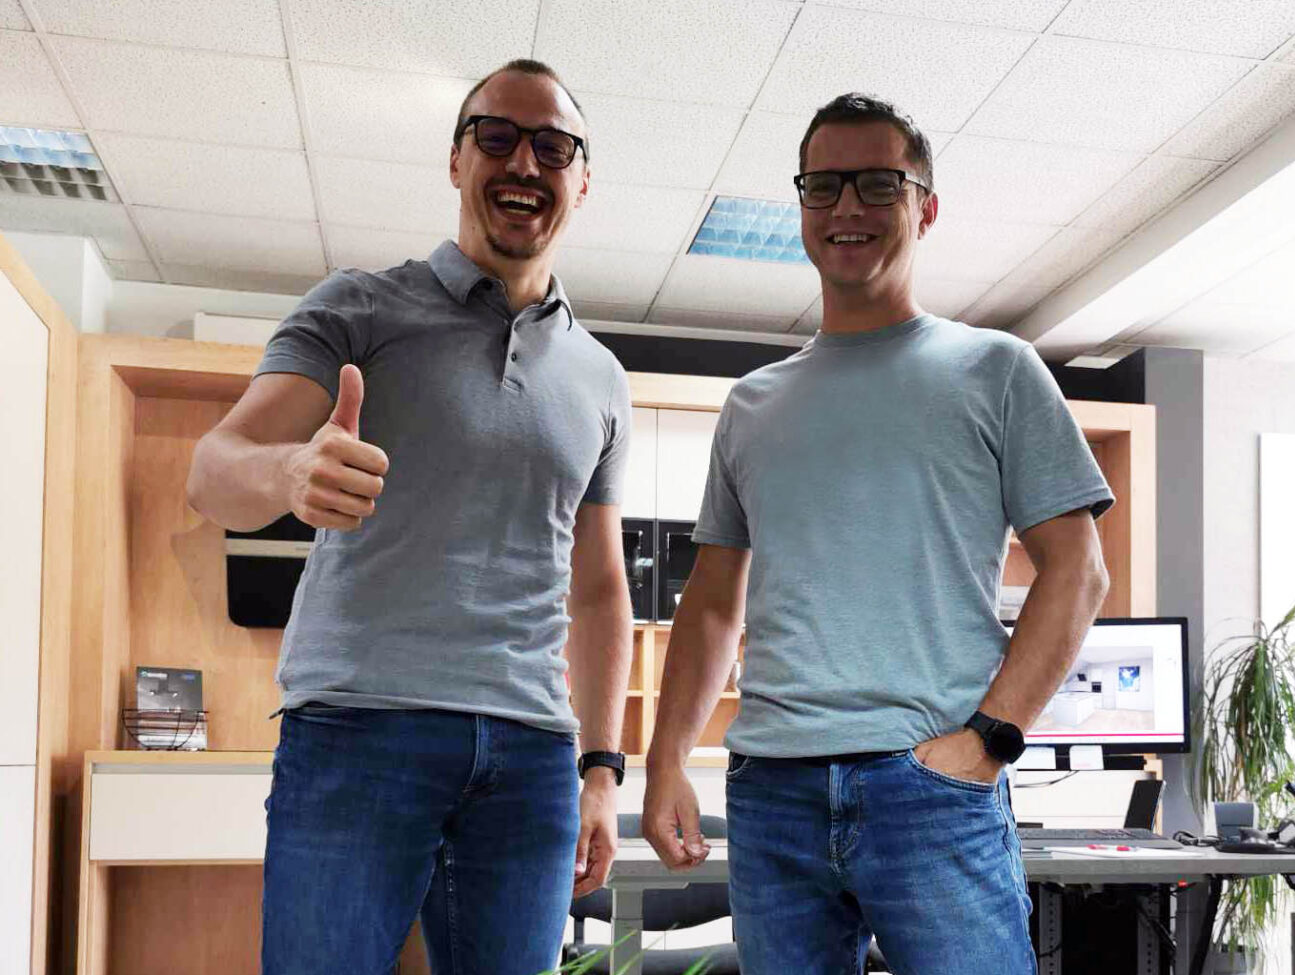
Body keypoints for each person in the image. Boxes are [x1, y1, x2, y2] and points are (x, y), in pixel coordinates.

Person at [642, 92, 1114, 975]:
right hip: (772, 790)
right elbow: (709, 604)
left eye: (878, 184)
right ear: (802, 205)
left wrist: (990, 740)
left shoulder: (997, 369)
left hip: (931, 786)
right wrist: (665, 759)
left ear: (924, 207)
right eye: (823, 186)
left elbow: (1078, 571)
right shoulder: (751, 404)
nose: (847, 207)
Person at [186, 58, 634, 975]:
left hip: (531, 754)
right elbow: (213, 471)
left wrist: (601, 768)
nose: (524, 162)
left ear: (582, 181)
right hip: (361, 729)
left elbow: (598, 589)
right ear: (457, 159)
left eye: (554, 147)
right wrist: (291, 470)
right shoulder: (359, 307)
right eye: (497, 136)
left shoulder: (601, 377)